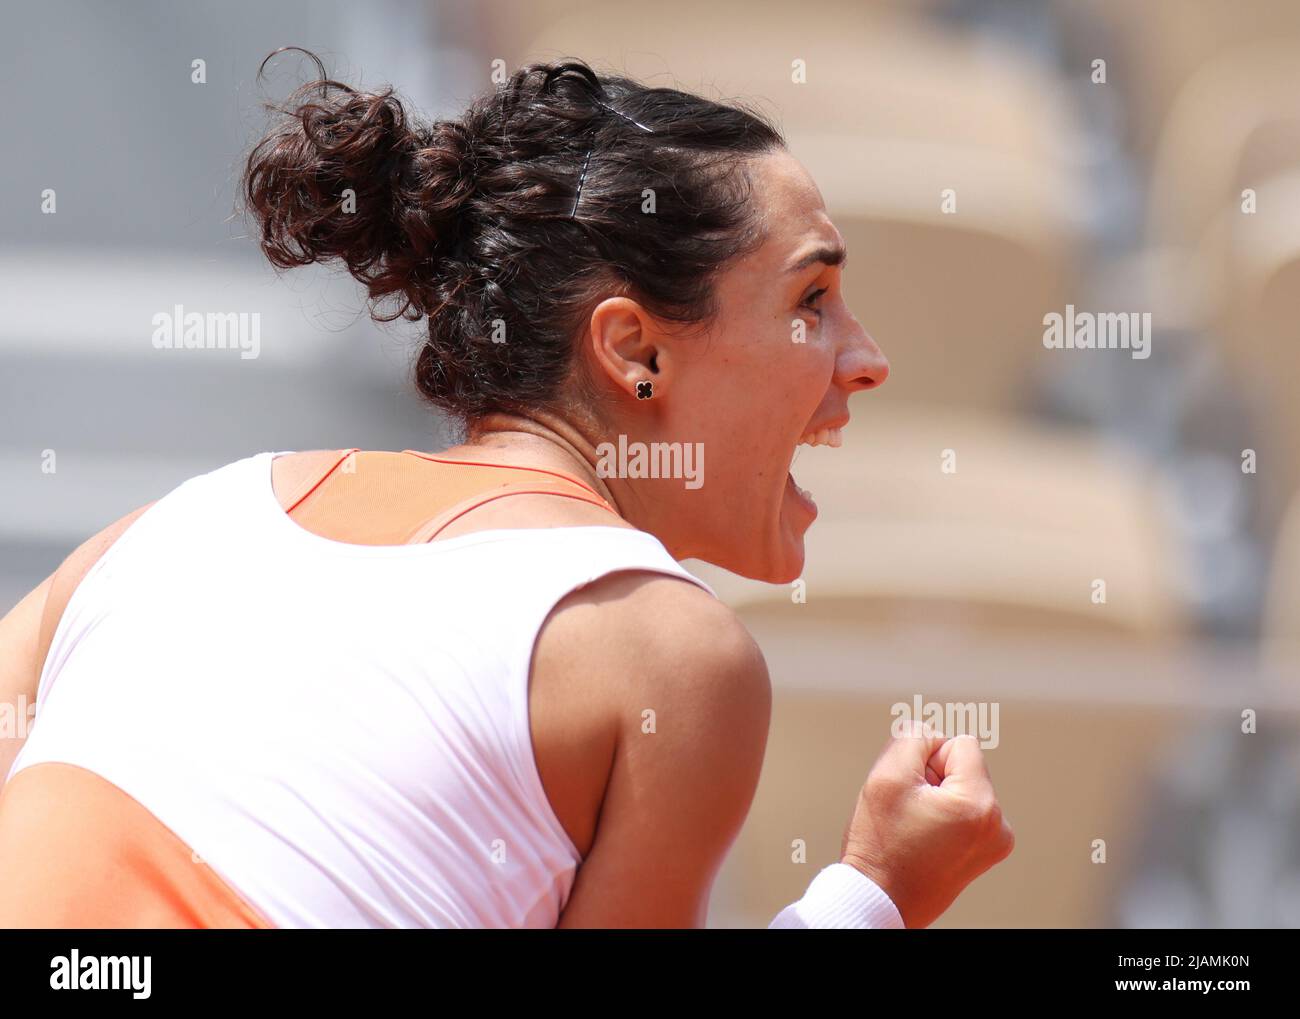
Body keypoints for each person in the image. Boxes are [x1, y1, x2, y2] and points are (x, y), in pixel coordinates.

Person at [0, 55, 1013, 928]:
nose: (867, 359)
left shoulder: (160, 529)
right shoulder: (672, 650)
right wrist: (877, 891)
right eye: (811, 299)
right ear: (635, 350)